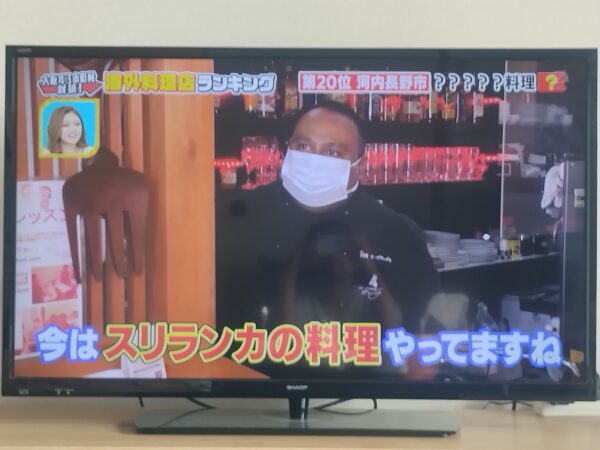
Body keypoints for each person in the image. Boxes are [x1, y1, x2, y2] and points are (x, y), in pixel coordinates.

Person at [215, 100, 440, 376]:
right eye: (303, 146)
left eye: (332, 152)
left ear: (359, 163)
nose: (314, 160)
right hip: (243, 386)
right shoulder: (233, 219)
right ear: (287, 148)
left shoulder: (396, 231)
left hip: (365, 391)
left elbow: (422, 336)